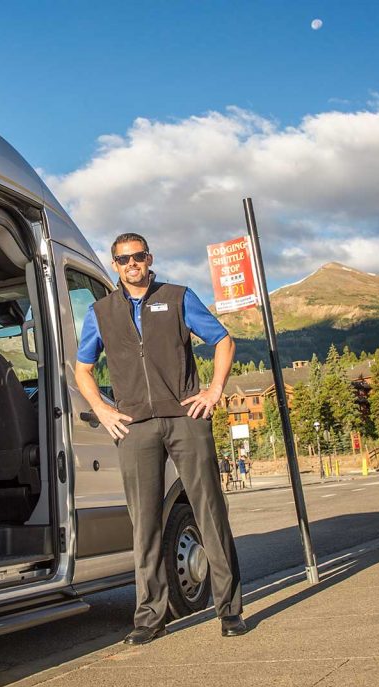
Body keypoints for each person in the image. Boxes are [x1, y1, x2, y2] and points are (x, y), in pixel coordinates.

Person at [74, 232, 248, 645]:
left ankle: (230, 610)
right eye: (123, 259)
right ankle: (150, 618)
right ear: (114, 265)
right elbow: (83, 370)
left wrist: (214, 392)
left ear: (149, 259)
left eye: (138, 257)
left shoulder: (177, 296)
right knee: (145, 524)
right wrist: (102, 409)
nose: (132, 264)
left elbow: (224, 341)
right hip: (135, 427)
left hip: (186, 418)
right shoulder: (100, 313)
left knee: (209, 512)